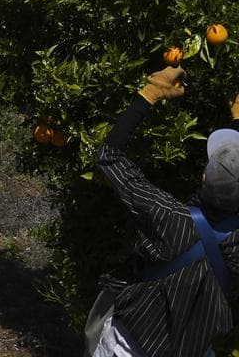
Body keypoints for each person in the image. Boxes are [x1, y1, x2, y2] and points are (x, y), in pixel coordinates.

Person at [87, 66, 239, 357]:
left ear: (204, 177)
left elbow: (110, 156)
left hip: (129, 348)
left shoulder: (166, 216)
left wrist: (149, 95)